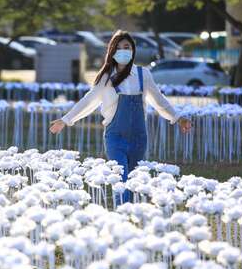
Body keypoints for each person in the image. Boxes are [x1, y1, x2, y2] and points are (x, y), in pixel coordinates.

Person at [49, 30, 192, 203]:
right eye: (119, 48)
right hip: (115, 137)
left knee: (134, 181)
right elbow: (89, 101)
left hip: (139, 137)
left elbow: (159, 100)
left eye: (127, 47)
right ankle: (121, 217)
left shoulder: (143, 74)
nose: (123, 51)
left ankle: (130, 219)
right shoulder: (106, 77)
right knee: (121, 180)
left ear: (132, 50)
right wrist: (65, 120)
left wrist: (178, 117)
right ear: (112, 51)